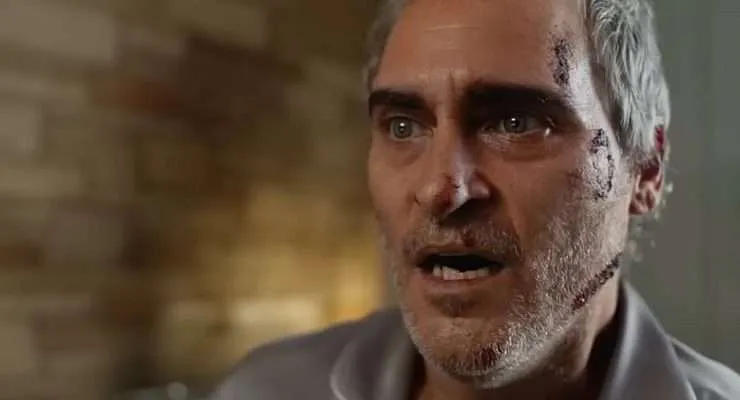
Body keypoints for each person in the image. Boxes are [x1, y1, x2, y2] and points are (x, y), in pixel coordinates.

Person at [209, 0, 740, 399]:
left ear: (645, 167)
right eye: (403, 125)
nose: (442, 188)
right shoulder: (266, 390)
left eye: (516, 122)